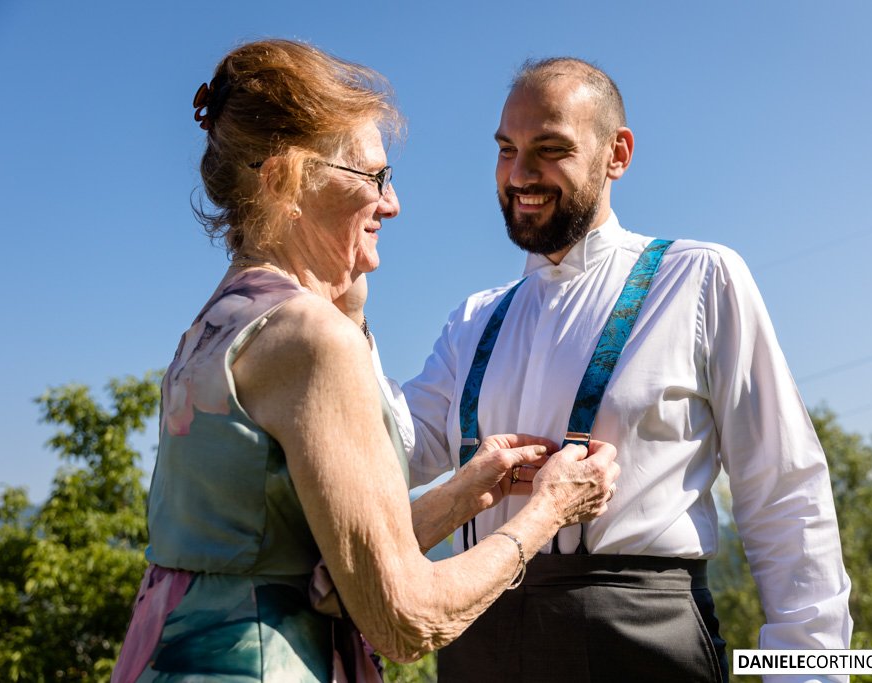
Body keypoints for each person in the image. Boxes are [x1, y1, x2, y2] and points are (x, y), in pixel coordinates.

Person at [111, 41, 619, 683]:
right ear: (285, 182)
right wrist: (548, 510)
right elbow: (404, 619)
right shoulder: (310, 338)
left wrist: (466, 491)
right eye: (374, 177)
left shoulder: (218, 323)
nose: (393, 202)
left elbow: (312, 563)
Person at [399, 58, 853, 682]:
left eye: (550, 148)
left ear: (618, 153)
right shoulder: (472, 319)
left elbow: (783, 490)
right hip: (478, 637)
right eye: (506, 150)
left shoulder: (698, 278)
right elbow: (390, 453)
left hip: (641, 634)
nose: (520, 174)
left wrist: (809, 673)